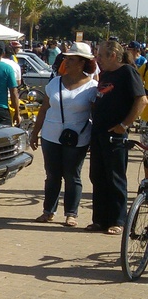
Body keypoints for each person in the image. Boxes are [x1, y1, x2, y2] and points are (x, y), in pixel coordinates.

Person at [29, 42, 98, 227]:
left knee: (72, 175)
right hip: (50, 136)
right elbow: (43, 109)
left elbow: (95, 115)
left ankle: (71, 214)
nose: (66, 62)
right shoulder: (54, 82)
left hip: (77, 139)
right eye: (66, 58)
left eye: (72, 59)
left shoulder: (92, 87)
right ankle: (48, 211)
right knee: (52, 175)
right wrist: (34, 133)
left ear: (83, 63)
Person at [86, 40, 148, 235]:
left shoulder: (127, 73)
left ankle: (117, 220)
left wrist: (124, 125)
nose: (98, 59)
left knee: (115, 177)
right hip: (98, 132)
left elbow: (142, 100)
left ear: (113, 55)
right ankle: (100, 220)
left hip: (115, 135)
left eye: (101, 55)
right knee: (98, 176)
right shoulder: (106, 74)